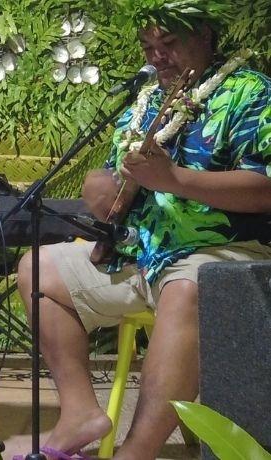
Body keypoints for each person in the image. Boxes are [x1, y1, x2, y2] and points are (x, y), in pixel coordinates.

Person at [15, 3, 271, 459]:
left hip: (219, 253)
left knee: (190, 287)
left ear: (206, 36)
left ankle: (136, 452)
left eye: (168, 45)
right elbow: (120, 182)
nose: (157, 57)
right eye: (148, 47)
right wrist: (103, 188)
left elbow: (265, 187)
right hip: (137, 253)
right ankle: (79, 412)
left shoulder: (250, 93)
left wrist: (175, 180)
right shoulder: (147, 100)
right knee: (39, 269)